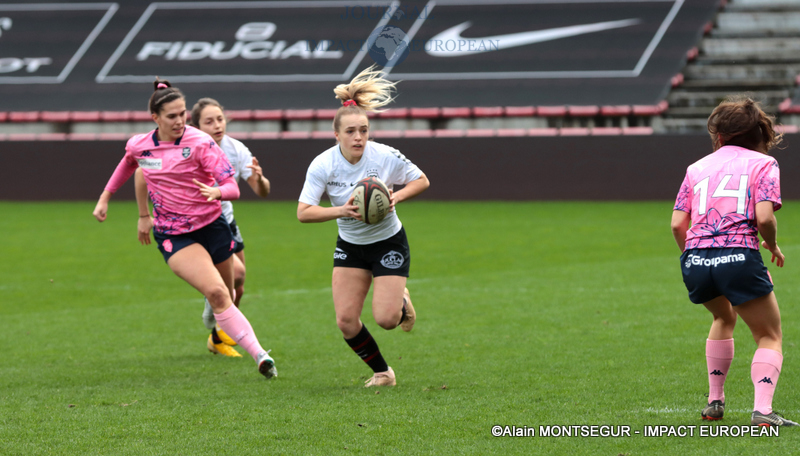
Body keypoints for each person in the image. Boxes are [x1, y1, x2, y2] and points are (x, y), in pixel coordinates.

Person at [93, 78, 277, 379]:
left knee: (228, 291)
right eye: (171, 116)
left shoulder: (200, 143)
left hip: (214, 226)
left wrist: (219, 192)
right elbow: (129, 163)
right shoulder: (141, 145)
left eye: (182, 114)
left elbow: (233, 186)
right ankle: (260, 355)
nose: (179, 121)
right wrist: (106, 198)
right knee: (219, 292)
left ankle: (217, 314)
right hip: (174, 234)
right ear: (155, 118)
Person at [297, 66, 430, 387]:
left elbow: (422, 180)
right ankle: (384, 373)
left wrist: (395, 197)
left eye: (364, 130)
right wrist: (342, 210)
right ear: (337, 134)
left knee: (386, 320)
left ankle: (400, 300)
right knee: (346, 321)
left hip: (388, 241)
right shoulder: (323, 164)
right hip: (351, 246)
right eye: (351, 131)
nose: (358, 137)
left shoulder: (384, 155)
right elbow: (303, 212)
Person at [671, 95, 795, 426]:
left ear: (720, 135)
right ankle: (763, 412)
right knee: (769, 335)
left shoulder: (695, 167)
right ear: (759, 134)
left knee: (723, 318)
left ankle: (715, 402)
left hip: (695, 259)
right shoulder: (763, 164)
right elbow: (765, 218)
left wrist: (695, 256)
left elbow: (676, 225)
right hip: (738, 255)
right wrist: (772, 245)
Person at [134, 97, 271, 358]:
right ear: (195, 125)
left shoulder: (235, 148)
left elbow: (261, 190)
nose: (218, 125)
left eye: (220, 119)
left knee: (238, 285)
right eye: (209, 121)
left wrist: (261, 178)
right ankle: (216, 308)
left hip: (224, 222)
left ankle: (219, 336)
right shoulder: (188, 146)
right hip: (192, 225)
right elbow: (142, 171)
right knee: (230, 280)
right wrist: (144, 214)